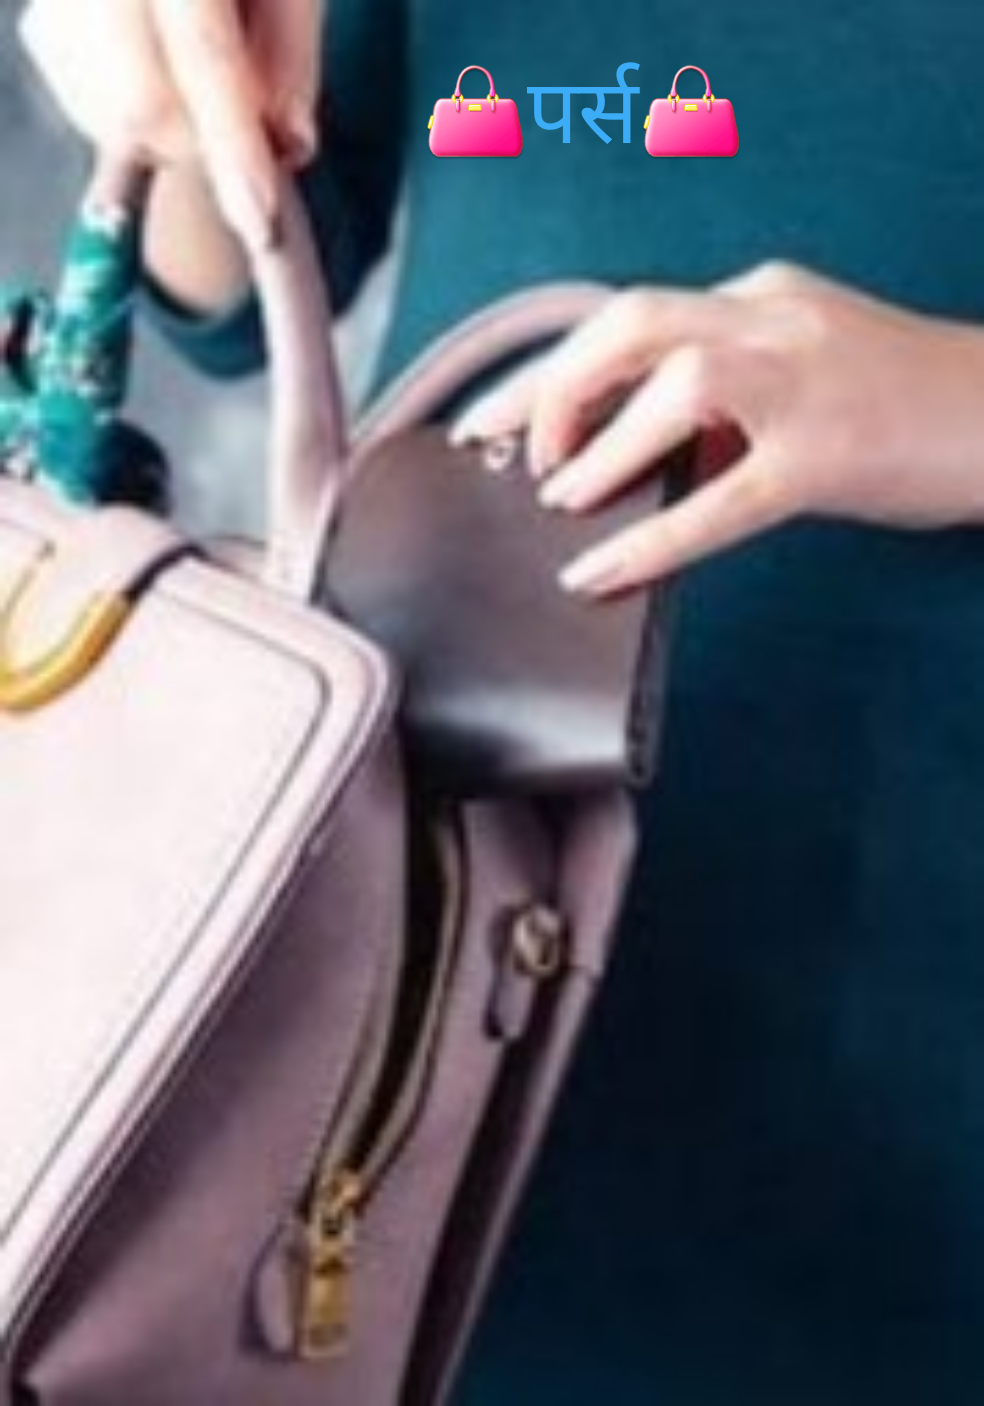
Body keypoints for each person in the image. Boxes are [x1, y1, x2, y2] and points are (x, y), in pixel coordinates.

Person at [20, 1, 984, 1401]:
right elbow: (247, 258)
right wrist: (165, 76)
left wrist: (959, 399)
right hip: (394, 974)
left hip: (911, 1032)